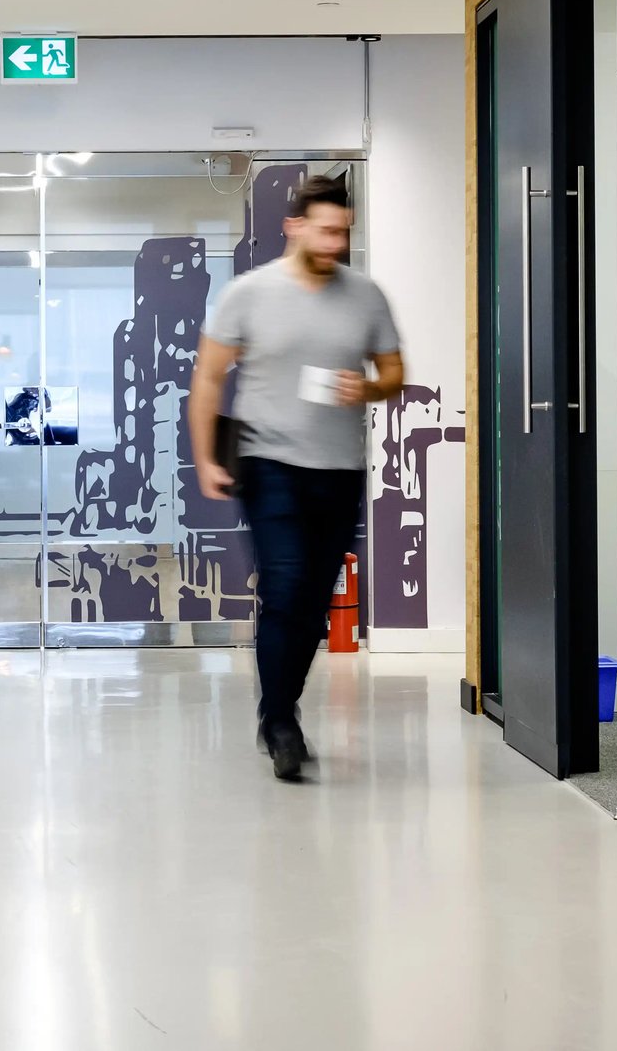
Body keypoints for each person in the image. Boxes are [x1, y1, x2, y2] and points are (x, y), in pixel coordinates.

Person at [188, 173, 404, 781]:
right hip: (268, 462)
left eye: (345, 233)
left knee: (312, 603)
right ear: (295, 226)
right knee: (284, 585)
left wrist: (368, 386)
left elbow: (395, 373)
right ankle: (281, 721)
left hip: (339, 470)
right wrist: (207, 457)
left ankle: (276, 708)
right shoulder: (248, 293)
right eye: (327, 231)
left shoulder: (367, 297)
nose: (336, 243)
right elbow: (208, 377)